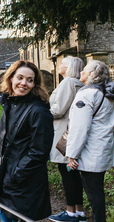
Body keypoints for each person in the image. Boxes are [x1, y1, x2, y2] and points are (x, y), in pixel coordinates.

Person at [0, 60, 53, 222]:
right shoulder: (10, 103)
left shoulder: (39, 111)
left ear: (35, 84)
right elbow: (2, 134)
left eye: (30, 80)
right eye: (20, 77)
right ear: (11, 78)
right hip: (6, 177)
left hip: (24, 182)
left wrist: (15, 175)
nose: (24, 83)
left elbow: (40, 152)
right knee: (3, 215)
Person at [62, 60, 114, 222]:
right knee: (97, 191)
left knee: (94, 194)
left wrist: (71, 154)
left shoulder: (86, 94)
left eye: (85, 70)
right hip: (103, 149)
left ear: (92, 74)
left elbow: (79, 128)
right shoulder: (107, 94)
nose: (81, 73)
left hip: (90, 152)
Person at [48, 56, 85, 222]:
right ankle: (79, 212)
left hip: (63, 135)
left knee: (67, 173)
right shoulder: (78, 83)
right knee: (73, 174)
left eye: (63, 63)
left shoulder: (68, 83)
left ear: (69, 67)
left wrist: (42, 110)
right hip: (71, 133)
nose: (60, 65)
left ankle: (71, 213)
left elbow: (58, 110)